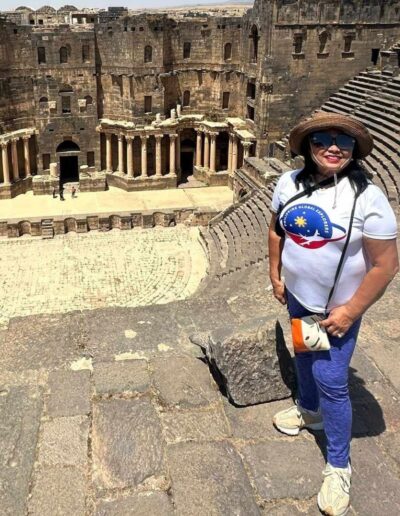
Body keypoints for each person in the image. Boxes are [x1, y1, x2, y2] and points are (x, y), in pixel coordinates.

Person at [268, 112, 398, 516]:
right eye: (322, 139)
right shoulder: (289, 183)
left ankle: (339, 466)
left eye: (343, 142)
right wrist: (274, 273)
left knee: (332, 379)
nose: (332, 147)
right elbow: (277, 228)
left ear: (354, 151)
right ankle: (309, 412)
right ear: (308, 146)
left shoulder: (367, 198)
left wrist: (351, 311)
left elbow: (386, 264)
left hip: (336, 310)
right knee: (304, 356)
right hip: (299, 298)